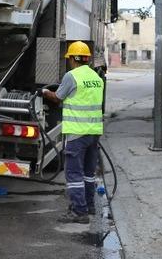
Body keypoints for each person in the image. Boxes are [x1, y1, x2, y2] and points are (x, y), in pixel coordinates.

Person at [41, 41, 105, 224]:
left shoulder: (71, 76)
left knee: (74, 174)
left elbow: (58, 97)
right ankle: (89, 206)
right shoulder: (96, 78)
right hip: (94, 133)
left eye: (69, 58)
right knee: (88, 172)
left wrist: (45, 92)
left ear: (73, 59)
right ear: (86, 58)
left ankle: (79, 212)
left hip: (77, 133)